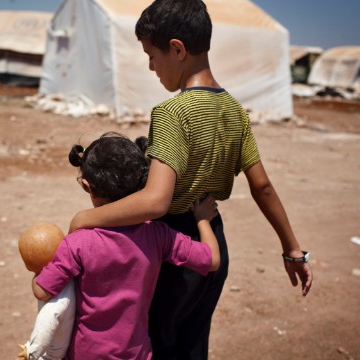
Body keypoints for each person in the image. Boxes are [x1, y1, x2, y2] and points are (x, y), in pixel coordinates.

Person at [68, 1, 314, 359]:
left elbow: (156, 201)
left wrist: (85, 219)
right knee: (194, 344)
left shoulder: (172, 113)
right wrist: (292, 249)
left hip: (173, 251)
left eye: (151, 55)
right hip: (215, 244)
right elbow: (262, 185)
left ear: (177, 49)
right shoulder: (234, 110)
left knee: (158, 343)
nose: (150, 66)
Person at [32, 132, 221, 360]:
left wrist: (37, 268)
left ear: (87, 186)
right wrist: (202, 219)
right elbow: (211, 260)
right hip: (137, 352)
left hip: (86, 353)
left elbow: (42, 290)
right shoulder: (157, 235)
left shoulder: (77, 243)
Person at [17, 223, 75, 360]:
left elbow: (47, 321)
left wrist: (31, 351)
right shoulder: (70, 275)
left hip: (52, 353)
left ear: (28, 266)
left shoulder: (55, 298)